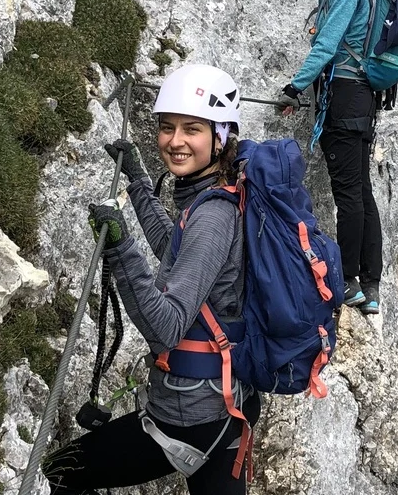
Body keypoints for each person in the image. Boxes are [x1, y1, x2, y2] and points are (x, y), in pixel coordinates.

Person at [44, 64, 259, 495]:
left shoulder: (213, 216)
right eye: (167, 127)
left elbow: (166, 327)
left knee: (61, 471)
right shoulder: (216, 196)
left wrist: (121, 249)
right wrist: (140, 183)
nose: (175, 141)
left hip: (191, 416)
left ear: (220, 137)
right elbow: (175, 250)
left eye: (192, 129)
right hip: (227, 407)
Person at [275, 0, 383, 316]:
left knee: (348, 193)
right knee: (362, 190)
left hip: (345, 98)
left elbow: (326, 47)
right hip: (362, 97)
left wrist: (293, 88)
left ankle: (349, 279)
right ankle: (370, 284)